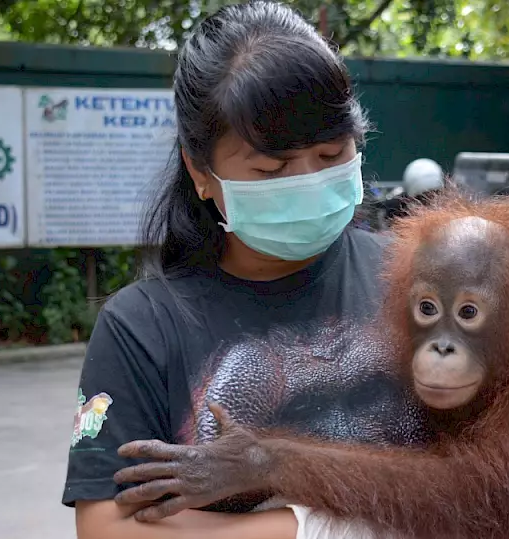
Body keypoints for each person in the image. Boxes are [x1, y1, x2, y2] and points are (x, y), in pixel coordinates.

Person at [61, 2, 429, 538]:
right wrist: (315, 528)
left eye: (331, 154)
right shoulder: (142, 327)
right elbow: (109, 527)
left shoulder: (419, 280)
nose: (306, 179)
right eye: (272, 168)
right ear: (199, 170)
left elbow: (497, 466)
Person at [382, 157, 445, 225]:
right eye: (422, 197)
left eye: (435, 194)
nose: (430, 202)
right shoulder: (395, 208)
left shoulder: (447, 204)